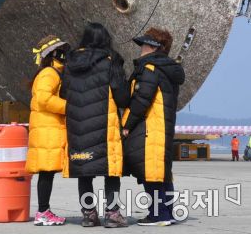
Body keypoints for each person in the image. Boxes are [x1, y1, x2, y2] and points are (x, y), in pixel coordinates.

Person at [61, 22, 129, 228]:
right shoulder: (110, 61)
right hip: (103, 123)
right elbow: (122, 95)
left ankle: (89, 214)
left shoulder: (70, 62)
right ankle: (113, 214)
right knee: (111, 170)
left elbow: (64, 93)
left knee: (85, 170)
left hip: (77, 124)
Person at [121, 28, 185, 227]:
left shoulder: (150, 68)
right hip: (162, 128)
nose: (141, 49)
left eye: (143, 45)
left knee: (151, 171)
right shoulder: (167, 69)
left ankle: (158, 215)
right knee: (161, 171)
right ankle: (167, 212)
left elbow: (142, 99)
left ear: (153, 47)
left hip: (149, 127)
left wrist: (126, 124)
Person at [25, 35, 70, 226]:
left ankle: (44, 210)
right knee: (46, 172)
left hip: (47, 128)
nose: (66, 56)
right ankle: (42, 212)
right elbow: (44, 99)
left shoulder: (51, 73)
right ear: (54, 54)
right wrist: (68, 107)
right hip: (47, 129)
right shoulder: (49, 74)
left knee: (47, 172)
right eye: (63, 52)